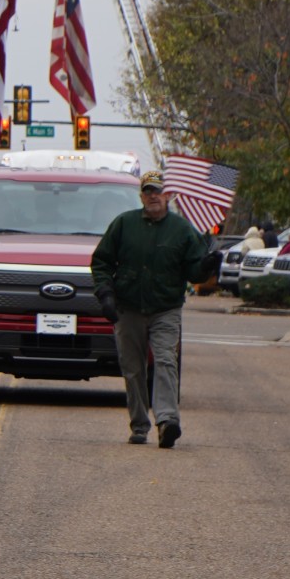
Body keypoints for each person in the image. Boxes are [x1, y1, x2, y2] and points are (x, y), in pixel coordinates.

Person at [89, 169, 215, 449]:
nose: (153, 196)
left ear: (167, 194)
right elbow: (101, 262)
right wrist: (106, 293)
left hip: (165, 308)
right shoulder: (124, 224)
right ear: (141, 195)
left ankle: (168, 420)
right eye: (148, 191)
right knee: (132, 368)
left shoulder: (182, 229)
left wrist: (207, 266)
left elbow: (194, 272)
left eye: (158, 190)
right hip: (128, 307)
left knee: (166, 361)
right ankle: (139, 425)